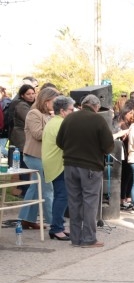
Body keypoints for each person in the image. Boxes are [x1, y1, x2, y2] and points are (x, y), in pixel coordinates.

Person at [55, 94, 115, 248]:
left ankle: (75, 239)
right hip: (90, 166)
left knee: (74, 201)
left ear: (82, 104)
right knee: (90, 203)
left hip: (69, 165)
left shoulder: (69, 118)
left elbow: (59, 142)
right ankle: (89, 239)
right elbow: (109, 146)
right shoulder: (98, 120)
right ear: (96, 106)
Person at [18, 86, 59, 229]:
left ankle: (26, 219)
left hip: (45, 156)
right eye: (55, 101)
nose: (57, 105)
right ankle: (54, 223)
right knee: (48, 189)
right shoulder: (34, 113)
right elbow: (38, 134)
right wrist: (53, 123)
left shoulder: (49, 115)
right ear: (46, 101)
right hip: (34, 155)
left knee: (36, 188)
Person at [41, 95, 76, 241]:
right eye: (71, 110)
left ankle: (58, 225)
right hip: (58, 164)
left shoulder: (54, 121)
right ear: (62, 111)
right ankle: (56, 228)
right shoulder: (61, 123)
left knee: (60, 196)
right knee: (62, 196)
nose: (73, 112)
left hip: (53, 162)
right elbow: (69, 143)